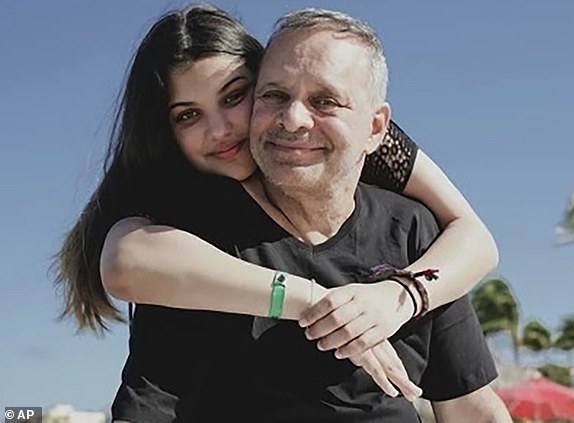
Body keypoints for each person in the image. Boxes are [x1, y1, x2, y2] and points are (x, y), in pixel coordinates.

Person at [50, 4, 502, 422]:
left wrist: (397, 296)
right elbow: (126, 261)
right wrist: (312, 300)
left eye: (235, 96)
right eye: (187, 115)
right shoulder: (187, 222)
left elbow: (473, 237)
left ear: (373, 127)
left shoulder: (404, 213)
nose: (221, 129)